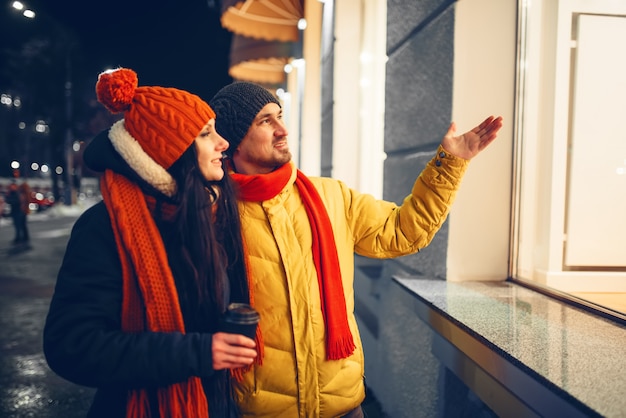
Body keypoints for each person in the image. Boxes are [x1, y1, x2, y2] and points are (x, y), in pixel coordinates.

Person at [209, 81, 504, 417]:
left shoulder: (330, 196)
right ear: (234, 140)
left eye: (280, 116)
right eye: (265, 121)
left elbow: (404, 232)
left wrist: (450, 163)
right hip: (259, 407)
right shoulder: (215, 214)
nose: (282, 129)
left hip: (343, 405)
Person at [43, 68, 259, 418]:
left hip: (215, 404)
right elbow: (72, 345)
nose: (223, 143)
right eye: (206, 134)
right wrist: (198, 353)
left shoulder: (206, 214)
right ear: (170, 152)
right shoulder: (105, 226)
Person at [6, 180, 30, 245]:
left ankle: (20, 238)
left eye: (13, 186)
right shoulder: (12, 193)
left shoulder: (17, 193)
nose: (12, 187)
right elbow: (8, 200)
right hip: (17, 211)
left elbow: (17, 201)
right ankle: (23, 237)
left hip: (19, 211)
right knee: (20, 225)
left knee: (19, 225)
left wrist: (11, 201)